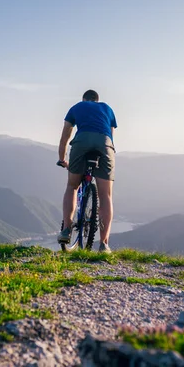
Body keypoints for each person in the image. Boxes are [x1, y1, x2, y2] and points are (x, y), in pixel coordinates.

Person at [56, 89, 117, 253]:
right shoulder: (107, 109)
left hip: (81, 142)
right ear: (97, 100)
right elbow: (110, 136)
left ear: (84, 99)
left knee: (72, 186)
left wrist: (62, 159)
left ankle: (66, 230)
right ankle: (104, 244)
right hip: (105, 144)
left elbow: (65, 137)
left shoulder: (77, 107)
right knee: (105, 195)